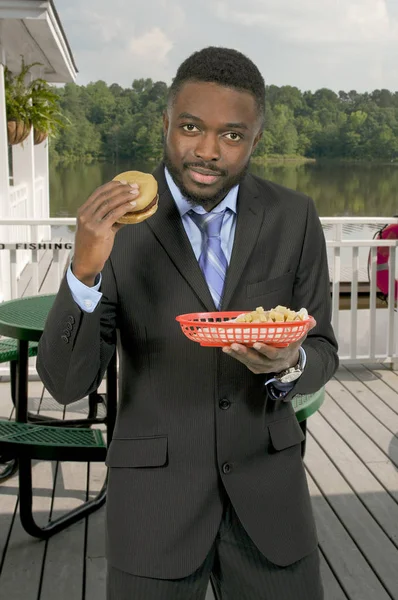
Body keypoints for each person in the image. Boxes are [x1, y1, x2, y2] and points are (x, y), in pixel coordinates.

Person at [37, 46, 338, 600]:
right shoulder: (115, 226)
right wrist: (85, 265)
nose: (206, 151)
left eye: (231, 135)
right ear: (166, 123)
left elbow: (321, 349)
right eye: (191, 127)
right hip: (155, 505)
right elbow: (64, 383)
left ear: (255, 140)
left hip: (270, 502)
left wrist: (289, 362)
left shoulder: (294, 217)